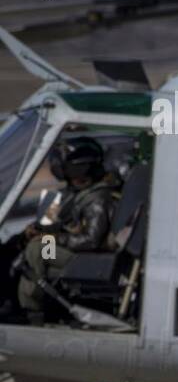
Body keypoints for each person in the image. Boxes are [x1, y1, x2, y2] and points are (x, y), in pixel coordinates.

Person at [16, 137, 116, 324]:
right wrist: (33, 230)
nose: (74, 178)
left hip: (84, 257)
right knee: (25, 241)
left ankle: (33, 310)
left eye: (78, 173)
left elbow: (91, 241)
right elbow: (47, 223)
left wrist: (53, 238)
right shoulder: (68, 194)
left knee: (38, 247)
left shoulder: (98, 199)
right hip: (68, 247)